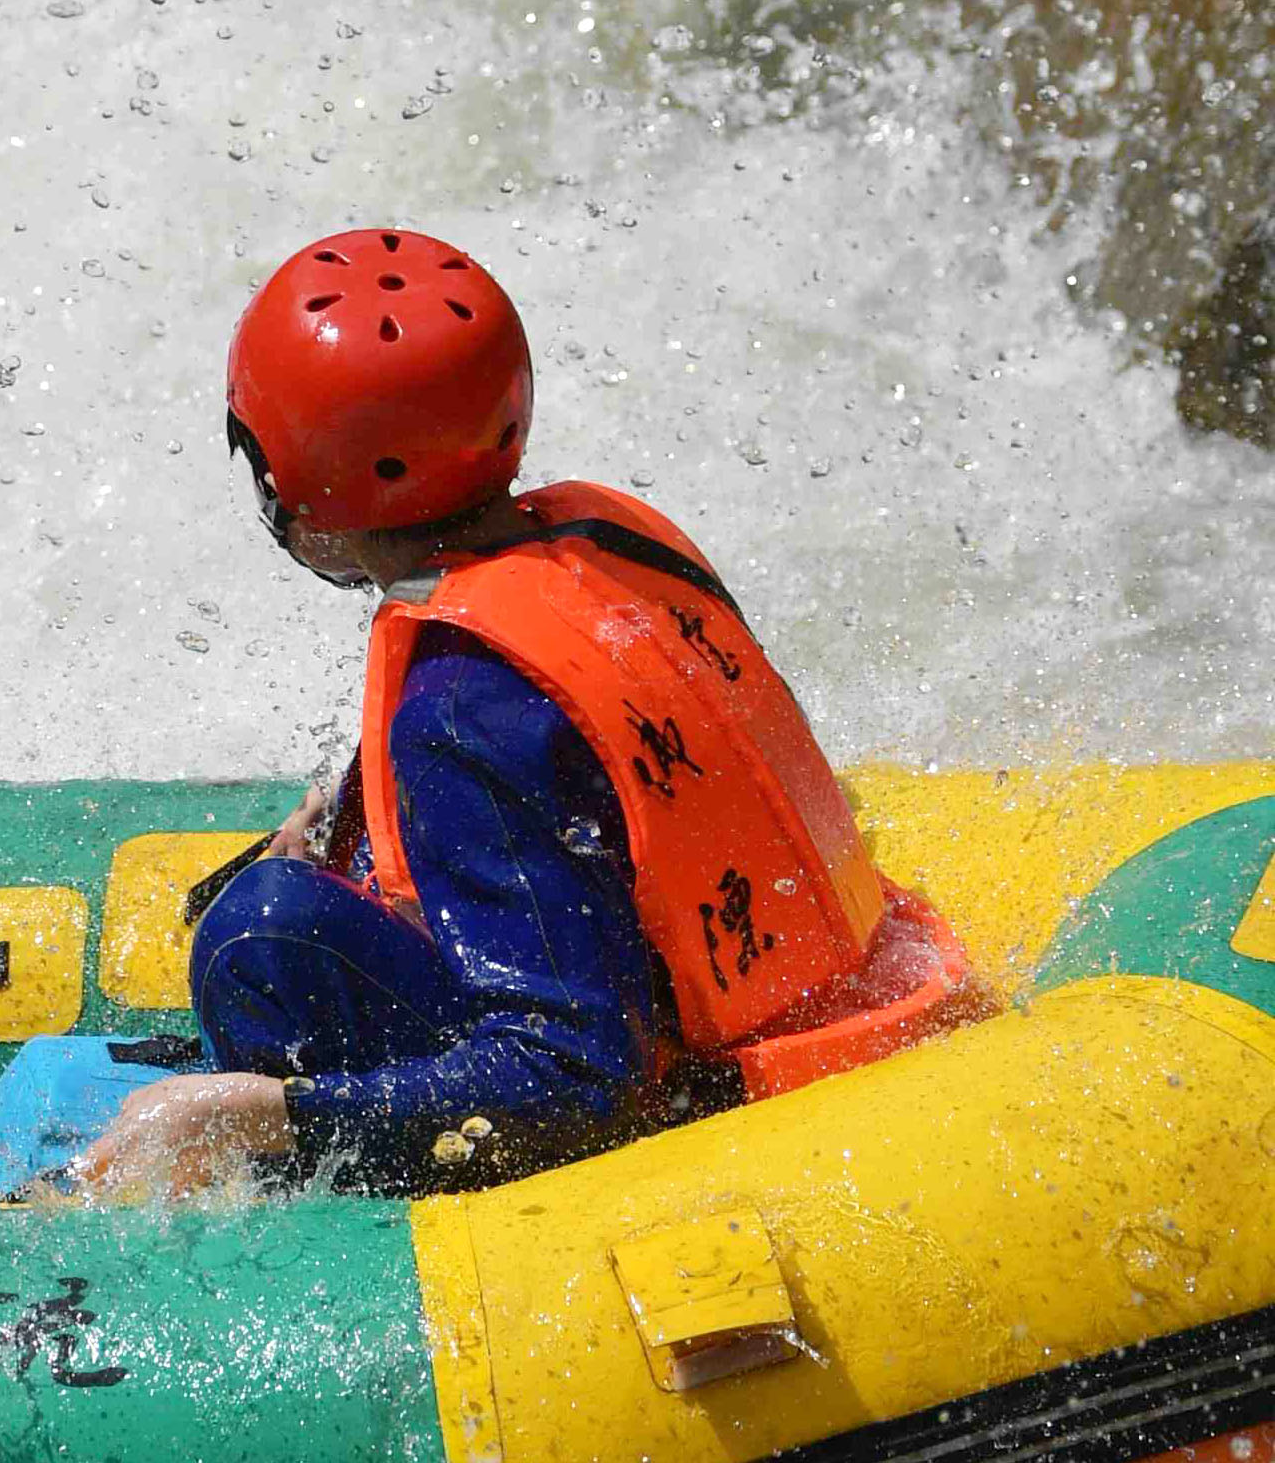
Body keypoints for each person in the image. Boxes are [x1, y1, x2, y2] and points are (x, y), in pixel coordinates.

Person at [78, 226, 978, 1201]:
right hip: (843, 1007)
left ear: (277, 476)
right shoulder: (591, 538)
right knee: (296, 888)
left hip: (709, 1108)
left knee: (259, 935)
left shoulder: (456, 709)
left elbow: (578, 1073)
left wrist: (266, 1112)